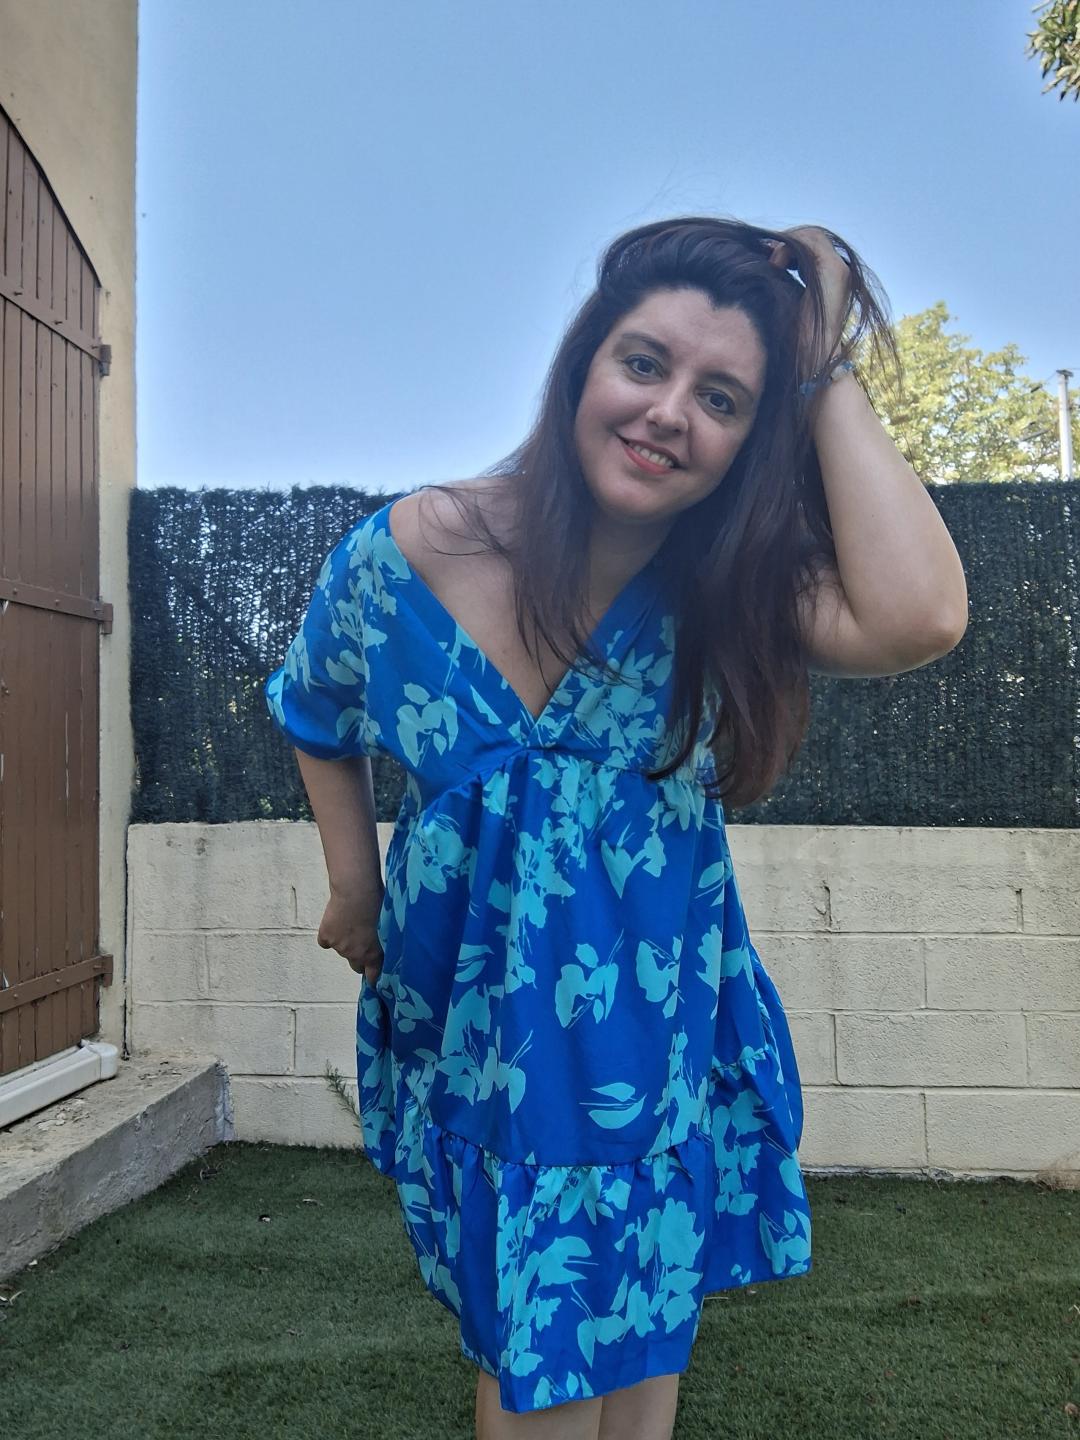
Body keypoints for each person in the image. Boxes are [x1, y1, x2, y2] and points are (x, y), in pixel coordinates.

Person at [264, 216, 968, 1439]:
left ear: (755, 434)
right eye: (645, 363)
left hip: (653, 1020)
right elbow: (313, 709)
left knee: (630, 1321)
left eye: (725, 398)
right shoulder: (410, 550)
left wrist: (822, 369)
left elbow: (921, 616)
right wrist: (352, 885)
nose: (669, 413)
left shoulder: (730, 584)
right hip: (478, 1013)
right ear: (583, 363)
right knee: (543, 1341)